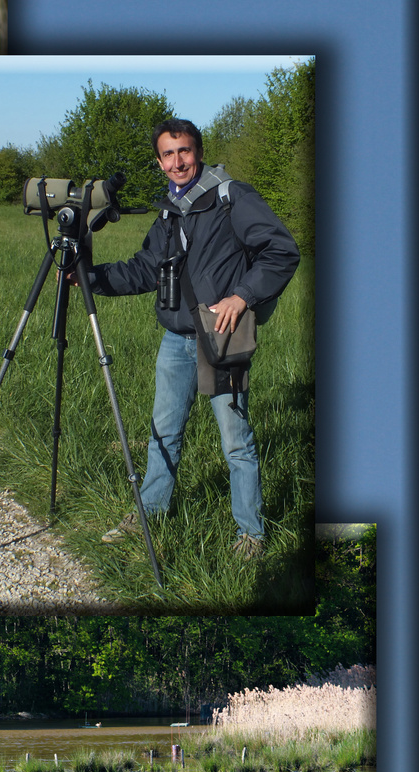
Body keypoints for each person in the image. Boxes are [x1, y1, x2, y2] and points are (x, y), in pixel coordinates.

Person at [83, 117, 300, 560]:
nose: (177, 161)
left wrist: (242, 296)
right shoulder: (167, 211)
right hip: (176, 340)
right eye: (168, 153)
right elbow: (145, 269)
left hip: (221, 336)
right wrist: (91, 279)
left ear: (197, 152)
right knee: (163, 432)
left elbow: (282, 250)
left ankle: (251, 535)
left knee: (235, 439)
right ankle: (150, 512)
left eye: (184, 151)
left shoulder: (229, 196)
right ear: (159, 161)